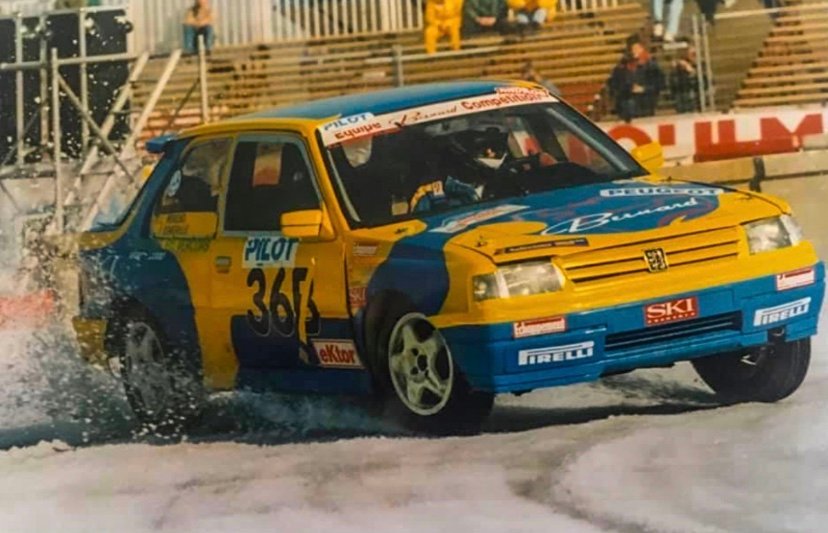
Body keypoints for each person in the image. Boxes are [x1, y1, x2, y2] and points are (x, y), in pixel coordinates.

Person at [608, 38, 664, 122]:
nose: (634, 51)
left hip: (646, 103)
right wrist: (628, 88)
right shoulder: (622, 66)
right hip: (626, 104)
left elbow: (659, 84)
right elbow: (615, 84)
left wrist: (644, 89)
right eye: (633, 49)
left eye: (637, 48)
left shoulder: (651, 65)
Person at [670, 41, 701, 113]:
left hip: (695, 95)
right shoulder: (679, 65)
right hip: (682, 94)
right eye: (692, 54)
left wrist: (692, 71)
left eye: (695, 54)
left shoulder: (700, 65)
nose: (694, 56)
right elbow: (674, 81)